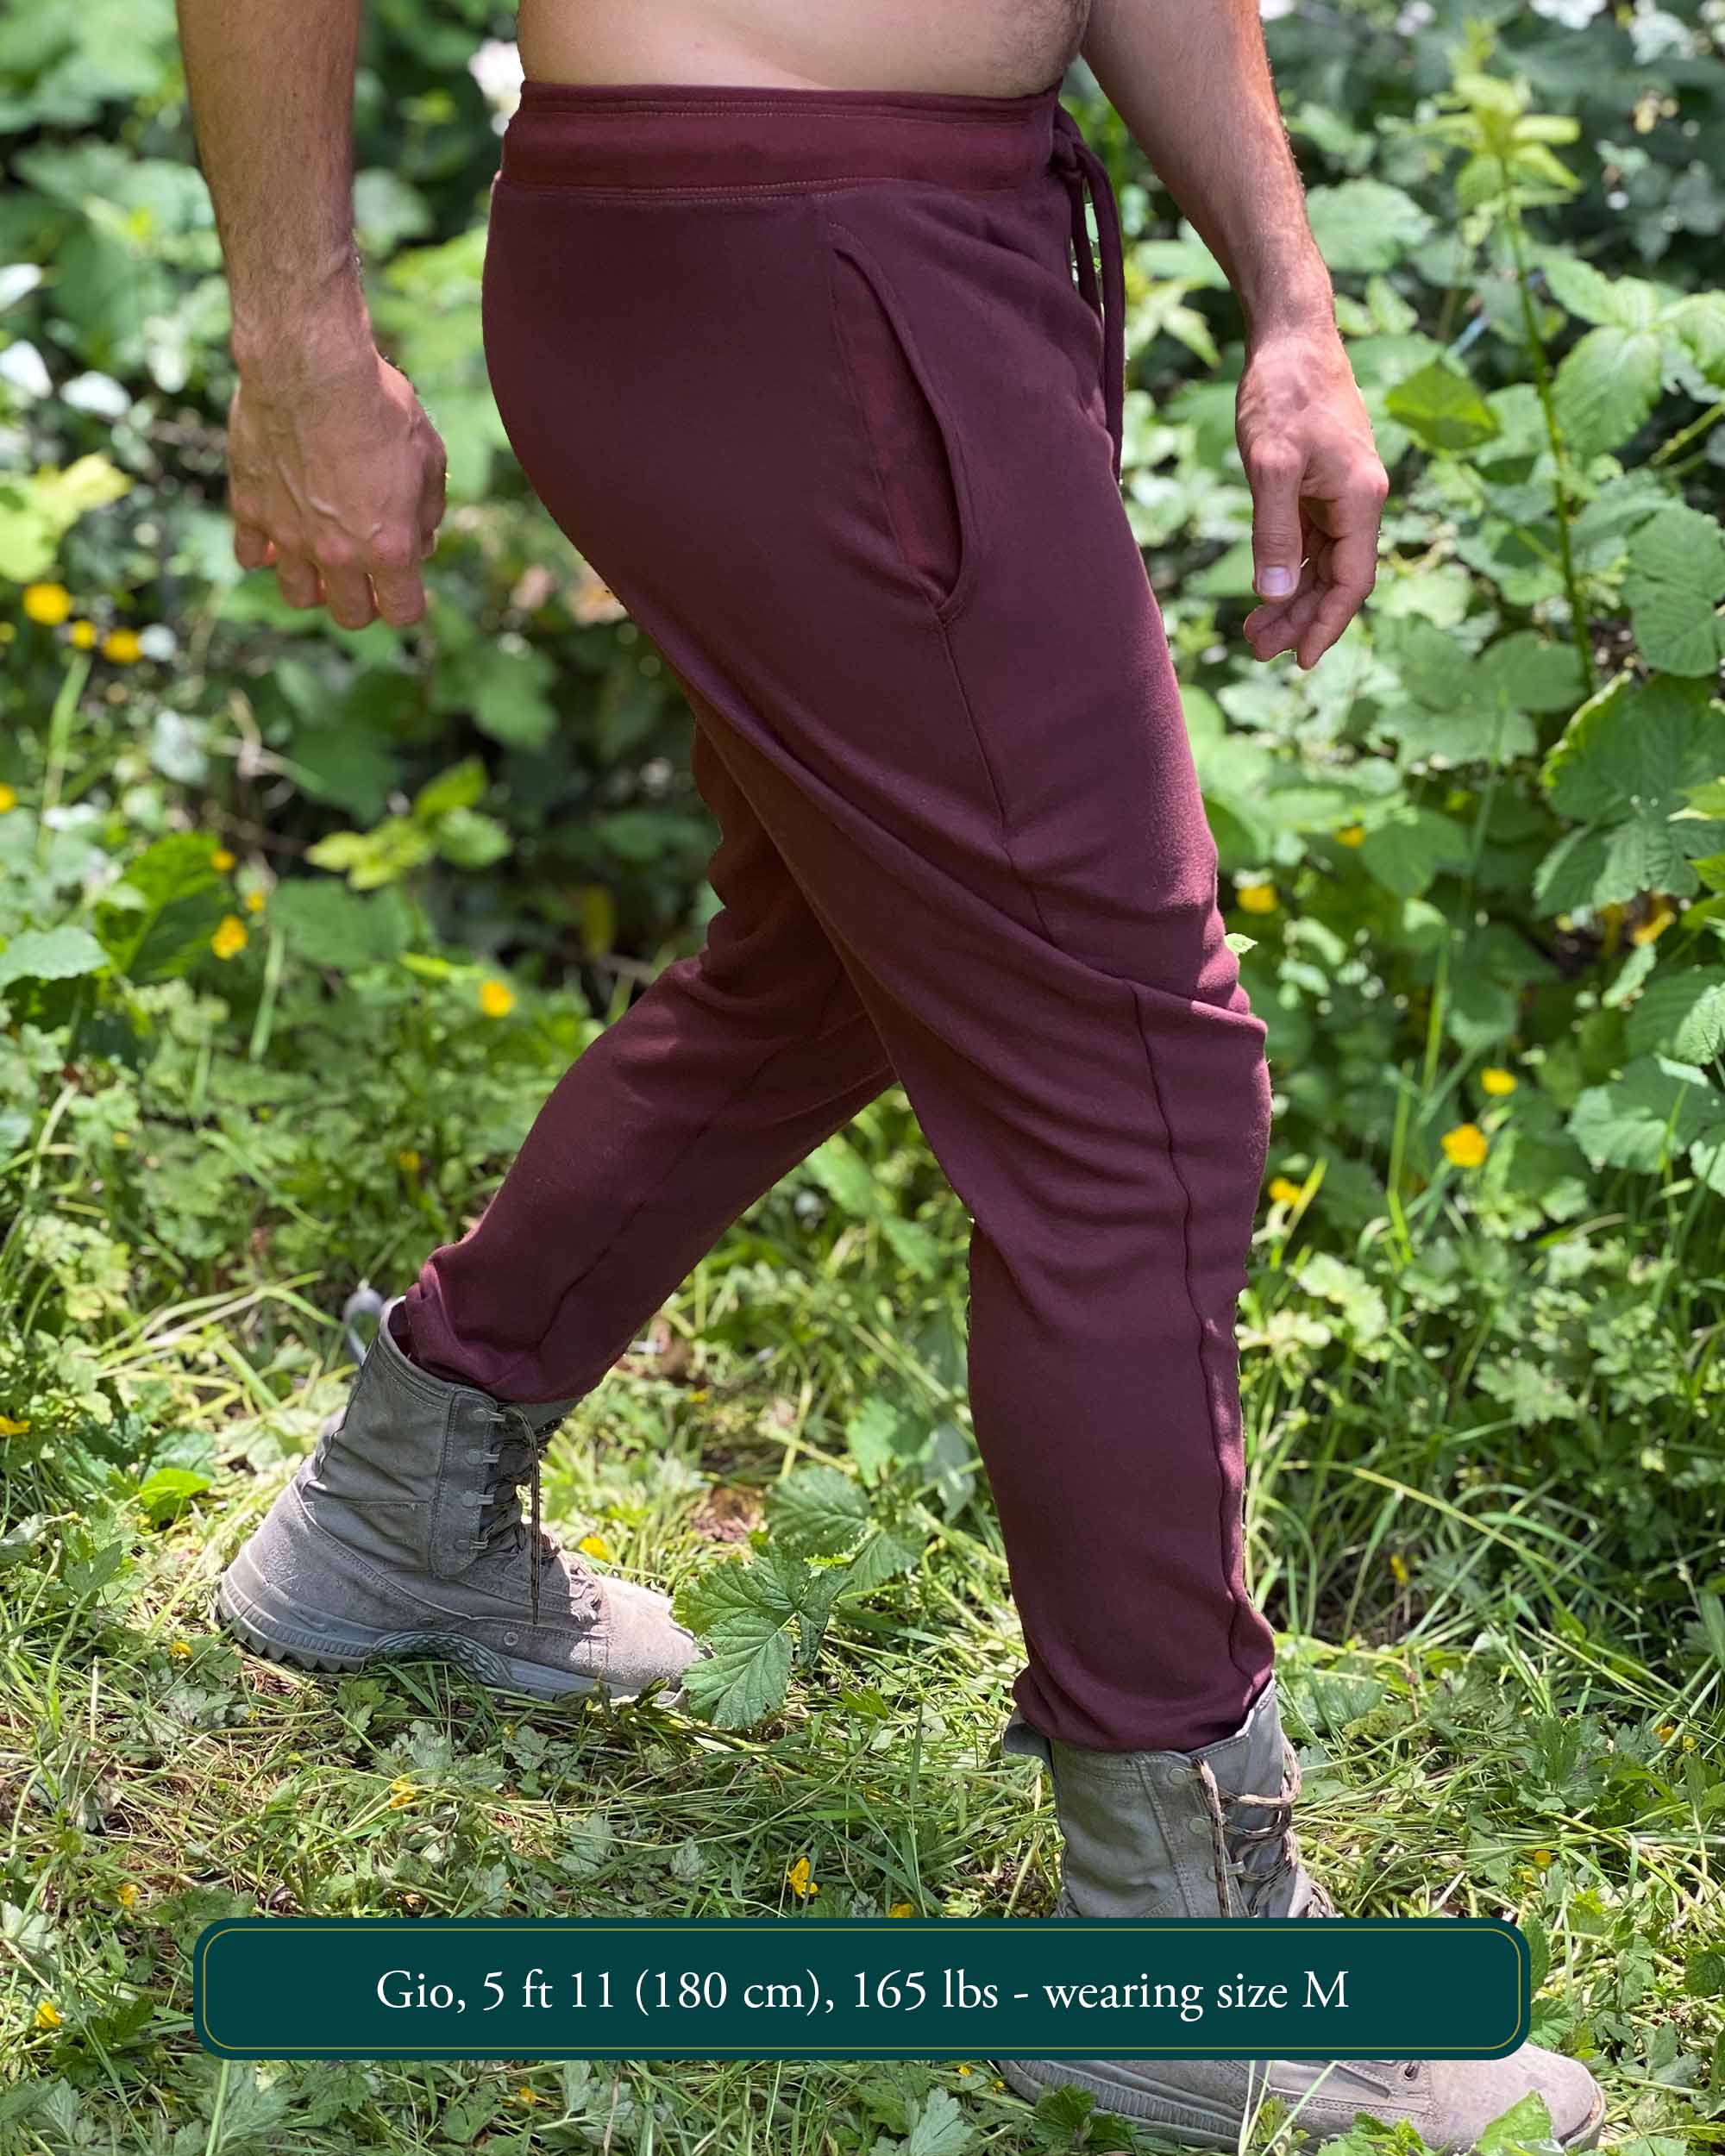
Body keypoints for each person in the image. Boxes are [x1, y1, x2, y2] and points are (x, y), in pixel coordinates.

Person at [175, 0, 1603, 2143]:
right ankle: (1184, 1966)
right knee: (1139, 1096)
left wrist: (1291, 306)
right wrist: (293, 334)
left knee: (835, 954)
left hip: (903, 253)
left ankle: (398, 1500)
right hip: (787, 257)